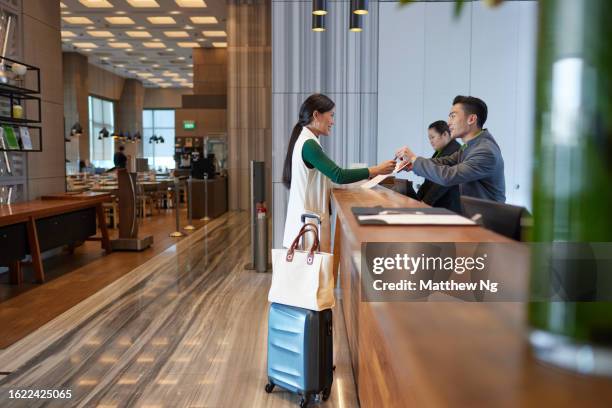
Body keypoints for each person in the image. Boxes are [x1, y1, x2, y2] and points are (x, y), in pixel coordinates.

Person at [283, 93, 396, 251]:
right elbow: (338, 175)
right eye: (331, 115)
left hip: (307, 222)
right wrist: (375, 169)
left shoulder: (307, 139)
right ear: (316, 115)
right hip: (307, 225)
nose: (333, 122)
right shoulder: (309, 144)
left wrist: (371, 174)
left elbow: (330, 177)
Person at [396, 95, 505, 202]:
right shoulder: (471, 145)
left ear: (471, 119)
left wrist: (415, 160)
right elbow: (445, 161)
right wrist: (413, 164)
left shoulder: (485, 151)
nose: (448, 123)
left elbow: (448, 176)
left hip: (486, 218)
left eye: (453, 116)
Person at [406, 121, 461, 213]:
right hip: (438, 205)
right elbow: (429, 178)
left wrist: (425, 203)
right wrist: (418, 200)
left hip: (447, 207)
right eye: (429, 138)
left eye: (432, 137)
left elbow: (441, 184)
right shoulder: (440, 151)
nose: (431, 141)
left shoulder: (455, 150)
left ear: (445, 134)